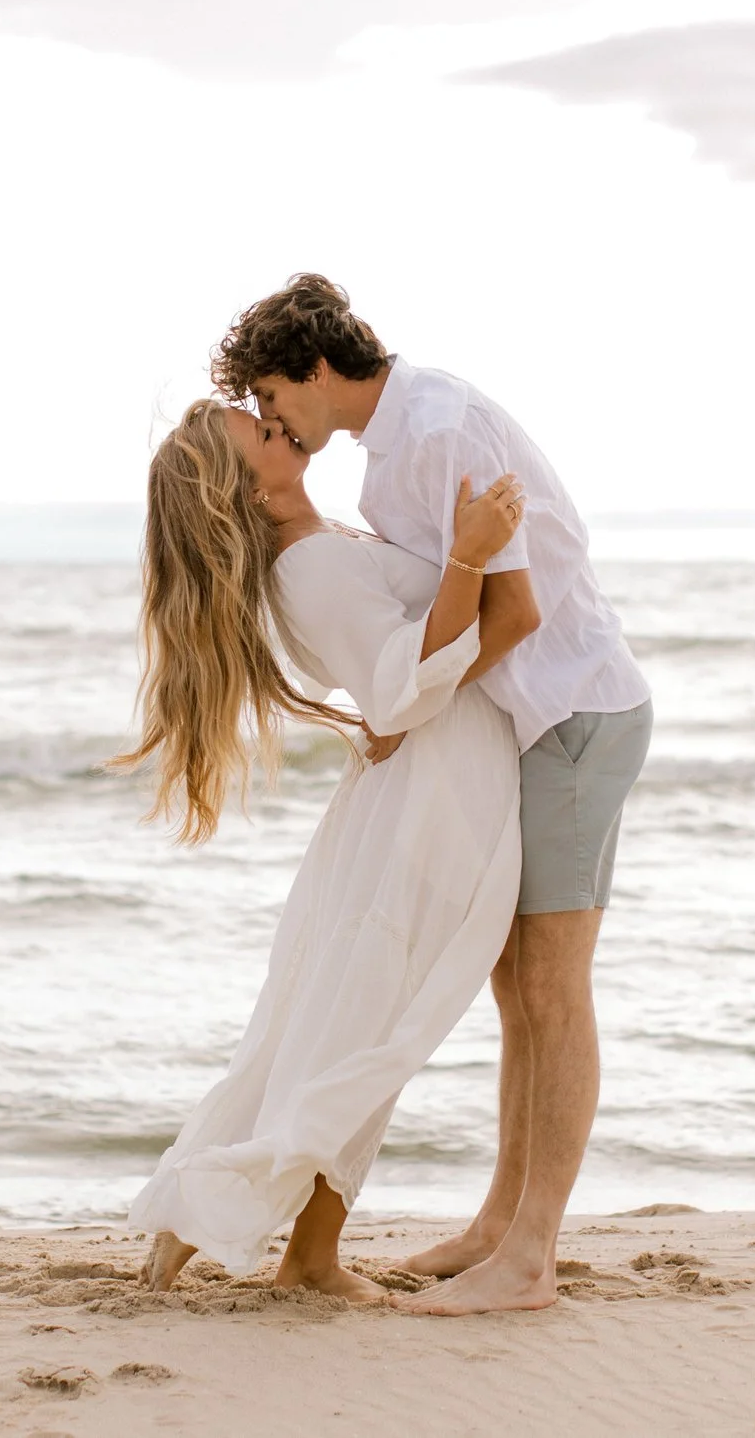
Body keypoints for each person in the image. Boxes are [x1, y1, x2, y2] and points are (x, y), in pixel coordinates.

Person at [214, 273, 653, 1316]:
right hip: (532, 719)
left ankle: (529, 1255)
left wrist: (403, 706)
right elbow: (435, 625)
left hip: (569, 713)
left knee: (552, 986)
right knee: (516, 988)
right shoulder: (390, 459)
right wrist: (395, 705)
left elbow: (516, 609)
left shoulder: (438, 431)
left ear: (317, 368)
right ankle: (498, 1223)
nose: (274, 418)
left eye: (275, 396)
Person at [117, 398, 533, 1301]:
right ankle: (272, 1237)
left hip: (428, 783)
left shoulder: (317, 544)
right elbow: (402, 690)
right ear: (241, 492)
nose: (275, 426)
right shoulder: (306, 567)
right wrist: (469, 554)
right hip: (434, 790)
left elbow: (395, 683)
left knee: (356, 1023)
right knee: (369, 1028)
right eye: (255, 435)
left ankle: (248, 1226)